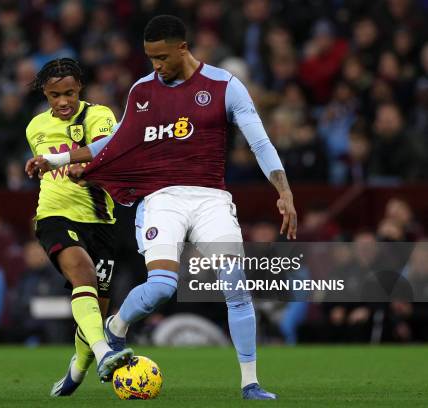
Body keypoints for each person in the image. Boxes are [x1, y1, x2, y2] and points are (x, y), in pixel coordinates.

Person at [26, 16, 298, 400]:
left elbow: (260, 140)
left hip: (211, 199)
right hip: (161, 199)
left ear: (183, 49)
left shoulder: (224, 86)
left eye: (162, 57)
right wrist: (56, 161)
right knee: (161, 288)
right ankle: (117, 326)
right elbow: (116, 143)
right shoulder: (143, 91)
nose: (156, 65)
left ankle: (250, 383)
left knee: (236, 286)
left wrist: (283, 190)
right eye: (150, 57)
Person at [25, 58, 132, 393]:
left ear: (80, 89)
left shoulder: (99, 116)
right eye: (55, 95)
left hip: (100, 221)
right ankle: (103, 355)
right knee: (82, 274)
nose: (63, 102)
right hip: (55, 214)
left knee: (97, 312)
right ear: (46, 93)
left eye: (69, 93)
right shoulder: (35, 128)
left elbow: (107, 154)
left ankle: (78, 367)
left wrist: (87, 171)